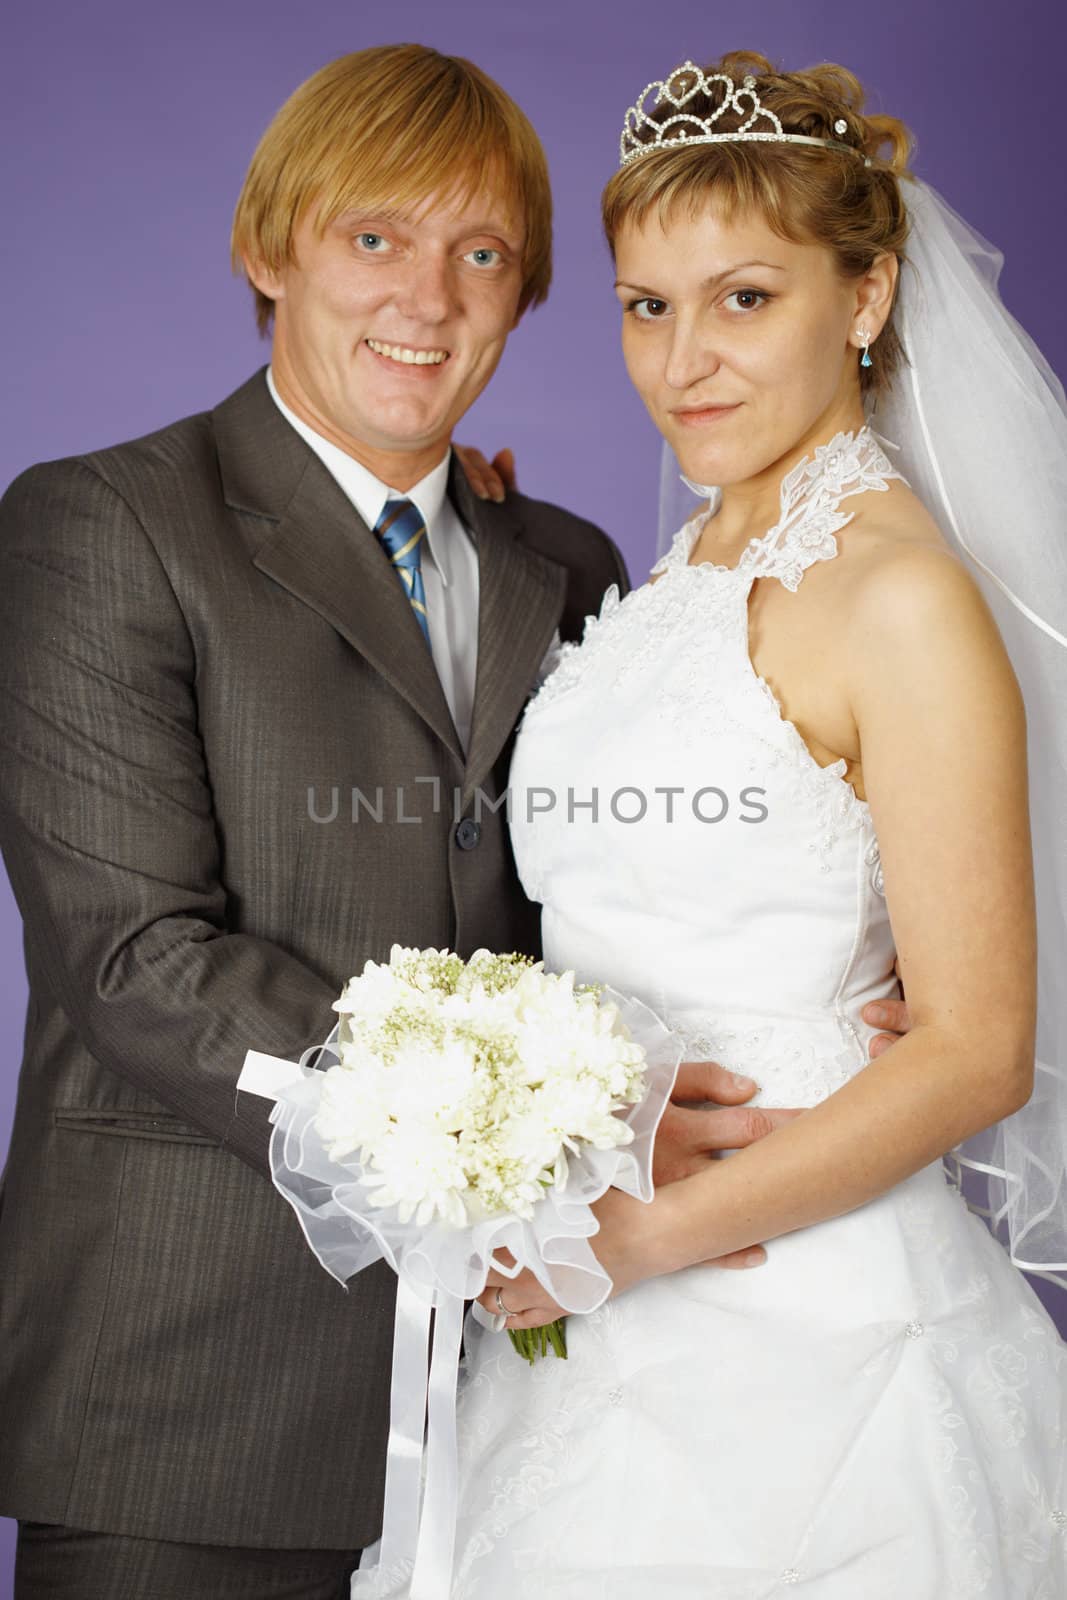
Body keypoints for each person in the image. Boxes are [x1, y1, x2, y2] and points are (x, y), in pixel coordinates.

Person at [0, 42, 779, 1600]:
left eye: (481, 254)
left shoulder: (567, 560)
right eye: (376, 238)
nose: (428, 300)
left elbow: (628, 876)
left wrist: (835, 986)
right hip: (188, 1390)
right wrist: (527, 1144)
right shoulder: (100, 525)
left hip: (525, 1400)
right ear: (266, 247)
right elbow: (141, 959)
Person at [406, 51, 1067, 1597]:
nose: (683, 361)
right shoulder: (691, 559)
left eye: (746, 299)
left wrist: (637, 1242)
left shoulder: (898, 598)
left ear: (867, 296)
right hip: (589, 1294)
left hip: (806, 1312)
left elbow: (975, 1048)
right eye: (648, 305)